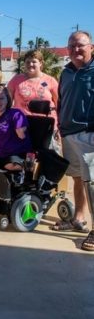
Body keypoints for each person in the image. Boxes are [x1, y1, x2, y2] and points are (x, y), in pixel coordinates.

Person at [52, 31, 94, 251]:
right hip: (68, 133)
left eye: (80, 45)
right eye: (71, 46)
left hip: (89, 133)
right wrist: (60, 125)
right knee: (78, 178)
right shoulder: (66, 72)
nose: (76, 49)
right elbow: (62, 100)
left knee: (92, 182)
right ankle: (78, 218)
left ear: (91, 47)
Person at [0, 85, 32, 171]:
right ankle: (2, 164)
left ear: (7, 99)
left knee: (11, 166)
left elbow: (22, 136)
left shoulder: (16, 113)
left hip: (16, 153)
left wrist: (20, 130)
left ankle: (23, 166)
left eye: (1, 98)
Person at [7, 50, 59, 134]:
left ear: (40, 63)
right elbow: (7, 103)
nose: (30, 64)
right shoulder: (16, 80)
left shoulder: (50, 80)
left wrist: (60, 126)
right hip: (22, 126)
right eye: (28, 62)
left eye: (34, 62)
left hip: (46, 126)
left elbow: (59, 105)